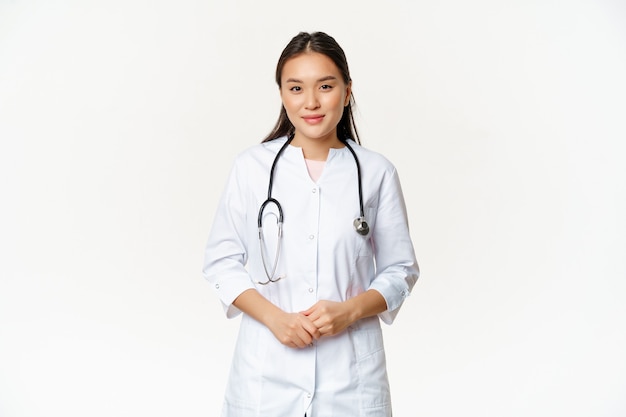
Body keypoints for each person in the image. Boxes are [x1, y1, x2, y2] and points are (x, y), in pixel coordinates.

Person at [202, 31, 419, 417]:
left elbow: (400, 271)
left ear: (347, 91)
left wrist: (349, 312)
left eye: (326, 86)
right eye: (296, 88)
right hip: (266, 376)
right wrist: (276, 319)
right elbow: (221, 263)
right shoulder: (251, 168)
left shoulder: (375, 172)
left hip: (350, 381)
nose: (312, 102)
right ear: (283, 95)